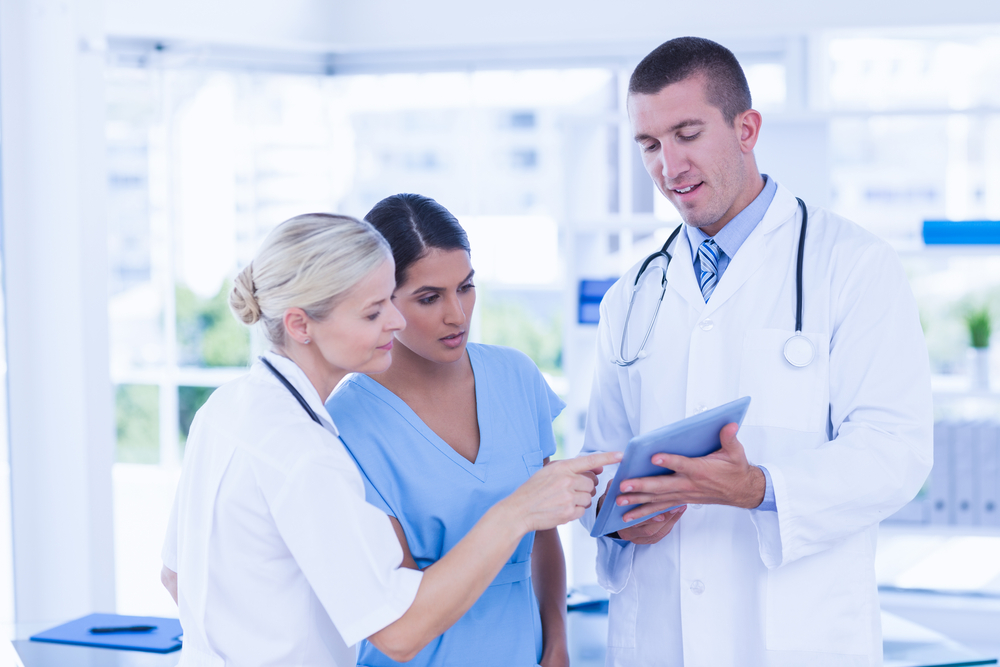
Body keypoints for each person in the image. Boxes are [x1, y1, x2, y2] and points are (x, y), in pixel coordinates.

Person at [579, 37, 933, 666]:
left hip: (797, 637)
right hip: (663, 636)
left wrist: (760, 488)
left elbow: (895, 448)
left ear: (747, 128)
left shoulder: (851, 265)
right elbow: (602, 458)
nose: (669, 165)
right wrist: (617, 518)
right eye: (650, 145)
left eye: (688, 133)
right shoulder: (630, 295)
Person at [159, 213, 619, 667]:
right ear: (300, 326)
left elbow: (176, 575)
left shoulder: (225, 408)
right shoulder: (309, 453)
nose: (395, 323)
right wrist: (518, 510)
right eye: (374, 311)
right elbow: (399, 634)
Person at [326, 194, 569, 667]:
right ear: (380, 300)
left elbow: (543, 536)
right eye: (429, 297)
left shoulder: (517, 377)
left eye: (466, 287)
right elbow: (395, 608)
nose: (457, 315)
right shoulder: (347, 425)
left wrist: (556, 640)